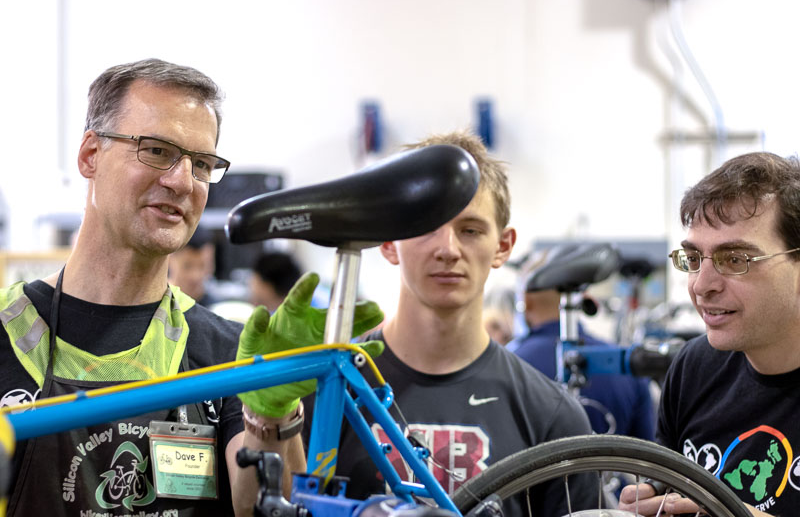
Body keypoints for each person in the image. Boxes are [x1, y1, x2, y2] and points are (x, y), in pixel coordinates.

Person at [0, 58, 382, 516]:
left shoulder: (228, 352)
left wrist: (272, 409)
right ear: (90, 155)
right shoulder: (7, 332)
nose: (182, 181)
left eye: (201, 163)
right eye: (157, 150)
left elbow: (261, 507)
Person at [302, 130, 599, 514]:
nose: (448, 249)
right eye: (427, 227)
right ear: (389, 243)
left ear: (503, 246)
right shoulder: (323, 393)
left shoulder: (552, 416)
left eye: (471, 230)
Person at [618, 152, 800, 517]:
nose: (701, 286)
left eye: (735, 260)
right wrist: (655, 494)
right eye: (693, 259)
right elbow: (668, 477)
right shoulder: (694, 367)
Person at [513, 285, 656, 440]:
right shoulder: (627, 366)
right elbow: (649, 454)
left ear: (526, 301)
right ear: (582, 297)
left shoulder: (512, 367)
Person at [168, 225, 217, 306]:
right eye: (187, 266)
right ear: (169, 260)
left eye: (203, 266)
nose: (195, 276)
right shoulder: (155, 306)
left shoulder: (216, 310)